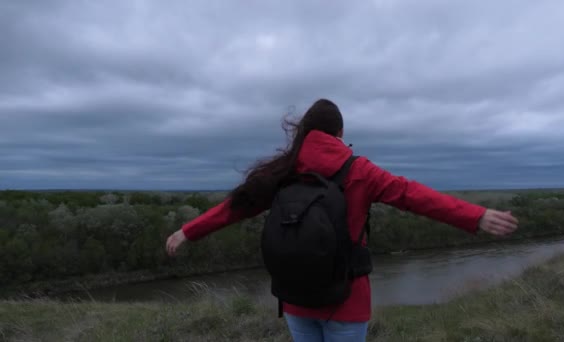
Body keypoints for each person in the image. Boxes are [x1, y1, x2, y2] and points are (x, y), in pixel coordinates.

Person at [166, 98, 519, 342]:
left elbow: (234, 208)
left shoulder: (283, 172)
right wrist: (476, 216)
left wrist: (187, 231)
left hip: (295, 297)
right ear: (338, 134)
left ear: (304, 132)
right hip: (346, 300)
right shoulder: (360, 171)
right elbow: (414, 196)